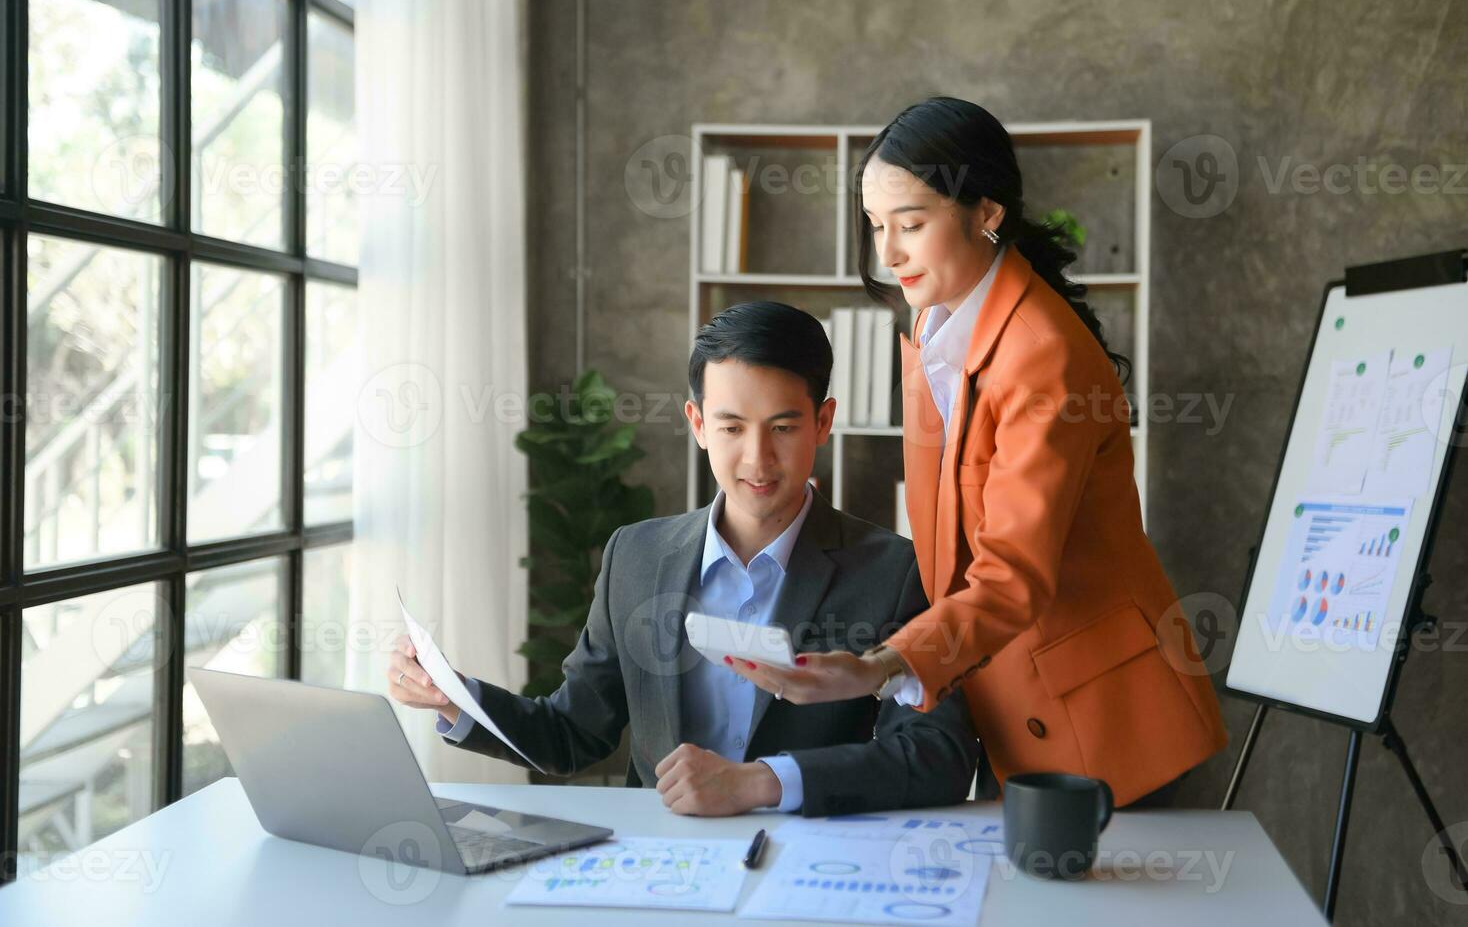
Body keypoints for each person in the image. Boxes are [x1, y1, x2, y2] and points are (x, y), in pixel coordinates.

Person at [727, 97, 1228, 808]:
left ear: (986, 214)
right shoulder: (939, 319)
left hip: (1102, 720)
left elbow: (1010, 576)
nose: (888, 252)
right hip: (1009, 700)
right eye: (876, 226)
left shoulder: (1040, 354)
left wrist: (880, 666)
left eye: (912, 223)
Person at [389, 301, 979, 817]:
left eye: (782, 427)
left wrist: (764, 783)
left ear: (822, 422)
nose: (757, 459)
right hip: (662, 862)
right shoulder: (635, 557)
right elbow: (573, 733)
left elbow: (936, 755)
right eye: (731, 427)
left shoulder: (892, 571)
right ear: (697, 424)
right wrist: (454, 698)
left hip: (808, 861)